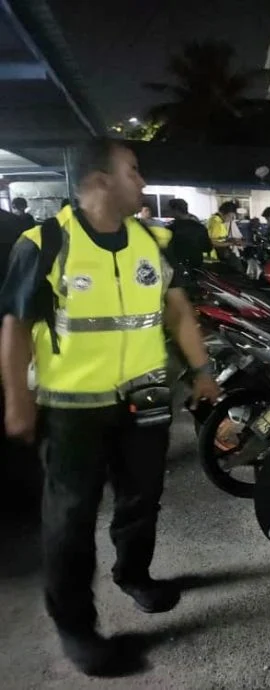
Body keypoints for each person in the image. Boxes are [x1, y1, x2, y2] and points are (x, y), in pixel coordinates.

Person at [0, 138, 221, 676]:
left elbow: (177, 313)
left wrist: (202, 371)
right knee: (69, 519)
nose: (142, 181)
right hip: (71, 408)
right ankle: (77, 628)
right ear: (99, 181)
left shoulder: (149, 240)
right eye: (133, 170)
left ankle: (134, 574)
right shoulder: (47, 242)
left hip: (144, 400)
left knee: (142, 496)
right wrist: (18, 400)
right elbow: (16, 328)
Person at [166, 198, 210, 270]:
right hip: (196, 267)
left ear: (176, 210)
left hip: (177, 268)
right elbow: (207, 248)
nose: (168, 212)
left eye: (169, 210)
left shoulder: (171, 229)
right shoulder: (200, 227)